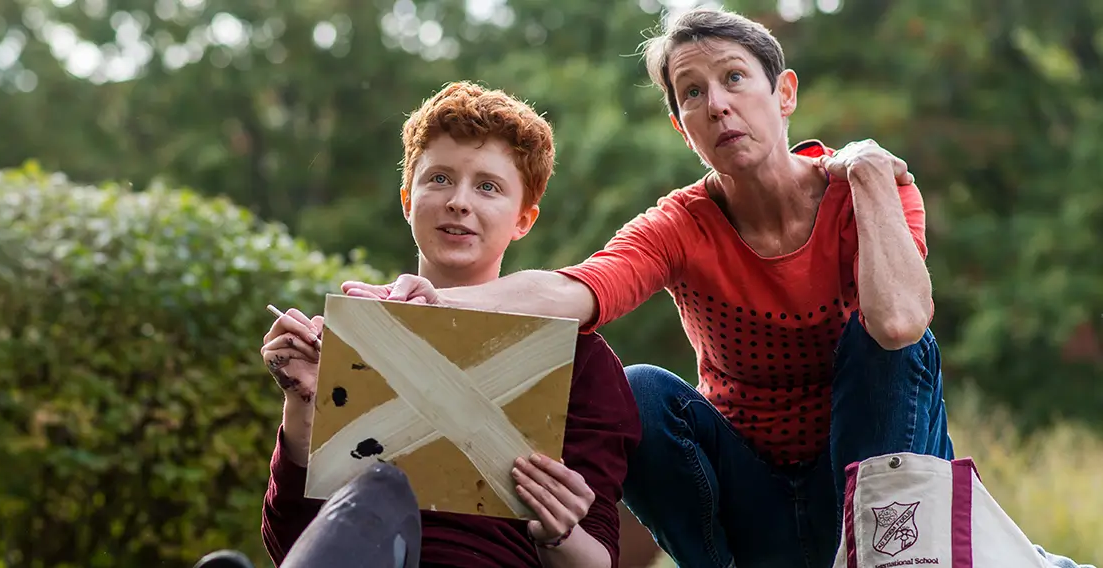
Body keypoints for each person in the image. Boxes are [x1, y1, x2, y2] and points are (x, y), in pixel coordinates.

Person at [341, 7, 944, 568]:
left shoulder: (875, 190)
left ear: (784, 94)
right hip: (754, 495)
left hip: (872, 493)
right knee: (645, 390)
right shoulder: (682, 224)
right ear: (684, 130)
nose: (718, 106)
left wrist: (867, 175)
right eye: (692, 94)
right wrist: (433, 302)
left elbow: (899, 323)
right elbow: (577, 290)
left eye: (734, 79)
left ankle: (884, 559)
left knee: (893, 343)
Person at [259, 81, 643, 568]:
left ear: (524, 219)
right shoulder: (355, 334)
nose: (459, 202)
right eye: (439, 178)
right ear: (407, 200)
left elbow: (597, 561)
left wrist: (558, 528)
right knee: (382, 489)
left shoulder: (580, 359)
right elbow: (291, 546)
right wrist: (302, 407)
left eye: (488, 186)